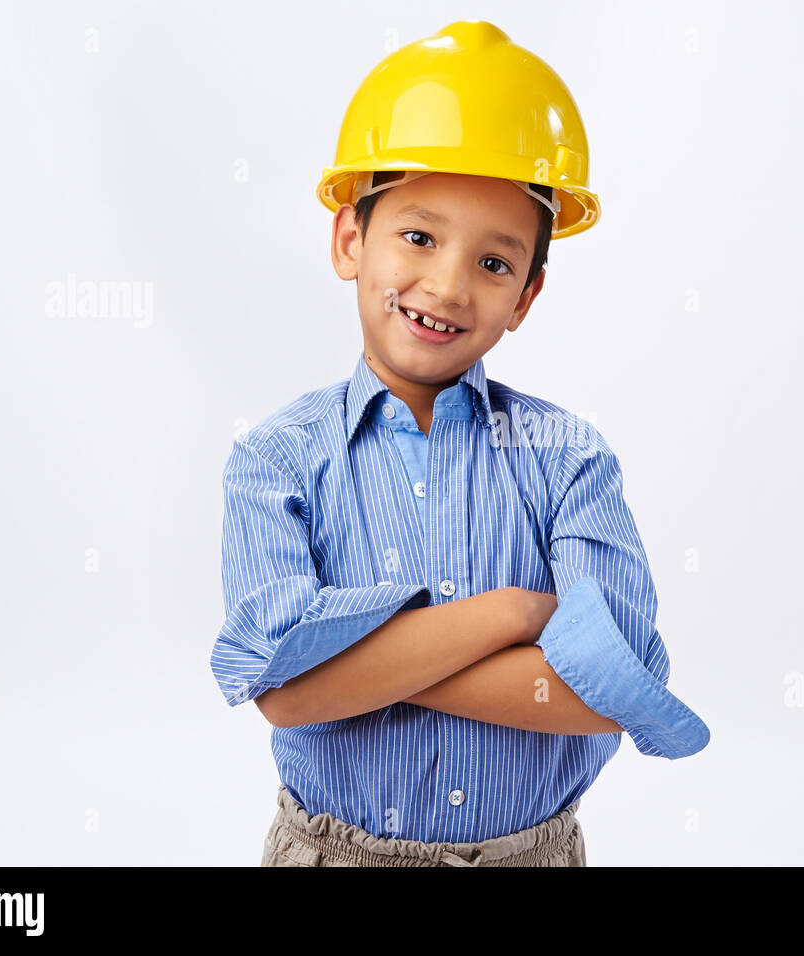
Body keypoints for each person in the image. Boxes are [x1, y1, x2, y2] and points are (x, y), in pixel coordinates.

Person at [210, 20, 710, 868]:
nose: (446, 285)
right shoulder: (277, 460)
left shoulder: (567, 457)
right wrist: (512, 615)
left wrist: (351, 673)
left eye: (494, 263)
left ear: (527, 296)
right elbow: (281, 692)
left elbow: (608, 687)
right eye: (418, 236)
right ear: (348, 239)